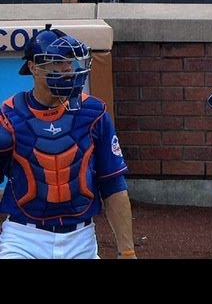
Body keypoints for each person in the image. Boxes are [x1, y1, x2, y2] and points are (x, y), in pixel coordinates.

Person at [0, 24, 136, 259]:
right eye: (57, 62)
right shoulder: (9, 116)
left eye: (70, 62)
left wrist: (127, 251)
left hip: (80, 239)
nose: (67, 69)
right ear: (33, 68)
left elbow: (113, 185)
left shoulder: (93, 113)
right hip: (23, 238)